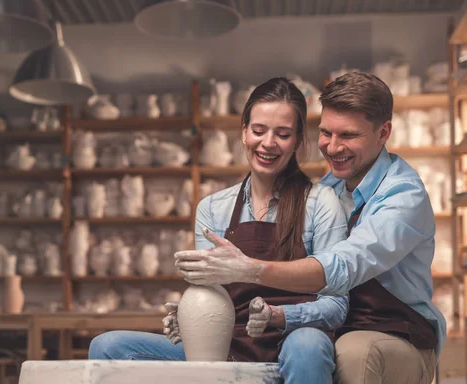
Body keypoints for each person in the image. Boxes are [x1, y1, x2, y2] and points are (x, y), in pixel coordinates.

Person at [175, 71, 446, 384]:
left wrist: (251, 271)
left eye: (348, 135)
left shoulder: (403, 196)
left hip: (397, 331)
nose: (332, 148)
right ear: (244, 132)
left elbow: (343, 267)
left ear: (384, 132)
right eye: (327, 133)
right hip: (339, 328)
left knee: (351, 353)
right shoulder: (331, 185)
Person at [89, 77, 349, 384]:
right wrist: (188, 314)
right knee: (107, 346)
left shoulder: (322, 203)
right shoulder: (212, 208)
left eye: (282, 134)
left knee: (308, 344)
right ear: (243, 132)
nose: (268, 143)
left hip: (292, 342)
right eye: (258, 130)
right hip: (228, 344)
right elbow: (211, 294)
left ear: (297, 141)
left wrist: (279, 316)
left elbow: (336, 305)